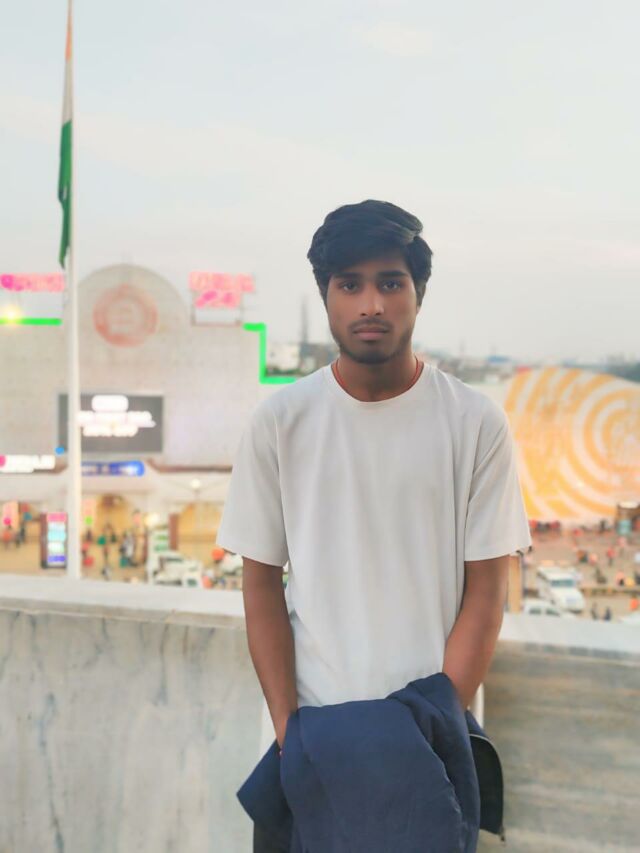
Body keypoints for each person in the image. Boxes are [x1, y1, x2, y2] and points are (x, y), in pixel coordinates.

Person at [215, 200, 532, 852]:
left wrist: (435, 722)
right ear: (326, 295)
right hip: (312, 741)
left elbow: (486, 591)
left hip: (431, 747)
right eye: (350, 284)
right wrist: (290, 729)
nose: (371, 304)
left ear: (418, 293)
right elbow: (260, 583)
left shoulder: (474, 422)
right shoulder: (281, 422)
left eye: (391, 282)